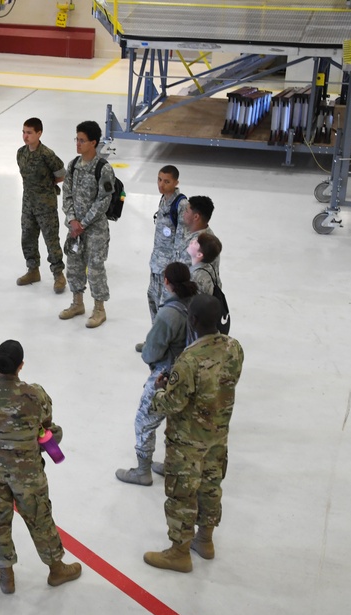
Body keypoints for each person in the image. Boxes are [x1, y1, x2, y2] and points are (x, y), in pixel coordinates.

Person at [0, 340, 82, 594]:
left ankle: (5, 573)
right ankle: (56, 568)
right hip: (27, 471)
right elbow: (45, 424)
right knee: (39, 517)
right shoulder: (36, 394)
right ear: (21, 366)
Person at [144, 294, 244, 574]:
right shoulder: (234, 348)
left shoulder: (189, 361)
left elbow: (173, 403)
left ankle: (179, 552)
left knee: (182, 493)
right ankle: (205, 540)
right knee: (211, 486)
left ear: (193, 321)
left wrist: (160, 390)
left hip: (188, 441)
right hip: (218, 436)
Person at [117, 263, 197, 486]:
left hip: (167, 375)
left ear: (166, 282)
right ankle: (173, 465)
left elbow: (151, 350)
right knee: (177, 421)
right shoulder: (194, 301)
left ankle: (142, 472)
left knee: (144, 422)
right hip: (190, 372)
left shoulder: (169, 313)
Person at [59, 120, 115, 328]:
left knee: (95, 268)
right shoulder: (73, 165)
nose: (78, 144)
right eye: (77, 139)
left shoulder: (103, 169)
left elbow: (104, 200)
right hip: (75, 228)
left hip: (95, 229)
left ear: (93, 143)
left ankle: (99, 309)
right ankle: (77, 303)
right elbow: (67, 195)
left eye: (82, 140)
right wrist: (72, 220)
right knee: (73, 265)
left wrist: (83, 222)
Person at [136, 166, 188, 352]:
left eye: (167, 181)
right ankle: (156, 341)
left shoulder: (181, 205)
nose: (161, 185)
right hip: (156, 264)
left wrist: (173, 271)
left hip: (169, 269)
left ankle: (169, 347)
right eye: (159, 180)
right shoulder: (163, 200)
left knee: (168, 309)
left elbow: (181, 240)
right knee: (153, 301)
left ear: (176, 183)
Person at [16, 117, 67, 293]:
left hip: (46, 205)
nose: (25, 136)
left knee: (51, 240)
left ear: (39, 133)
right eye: (23, 132)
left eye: (29, 133)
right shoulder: (21, 153)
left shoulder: (47, 155)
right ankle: (33, 270)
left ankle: (59, 275)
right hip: (28, 204)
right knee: (28, 238)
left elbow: (61, 174)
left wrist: (47, 186)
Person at [171, 195, 218, 272]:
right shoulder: (202, 235)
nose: (183, 214)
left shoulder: (199, 245)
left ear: (196, 217)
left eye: (186, 211)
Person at [188, 232, 223, 297]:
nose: (191, 242)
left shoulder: (195, 276)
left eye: (196, 243)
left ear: (199, 254)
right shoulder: (210, 268)